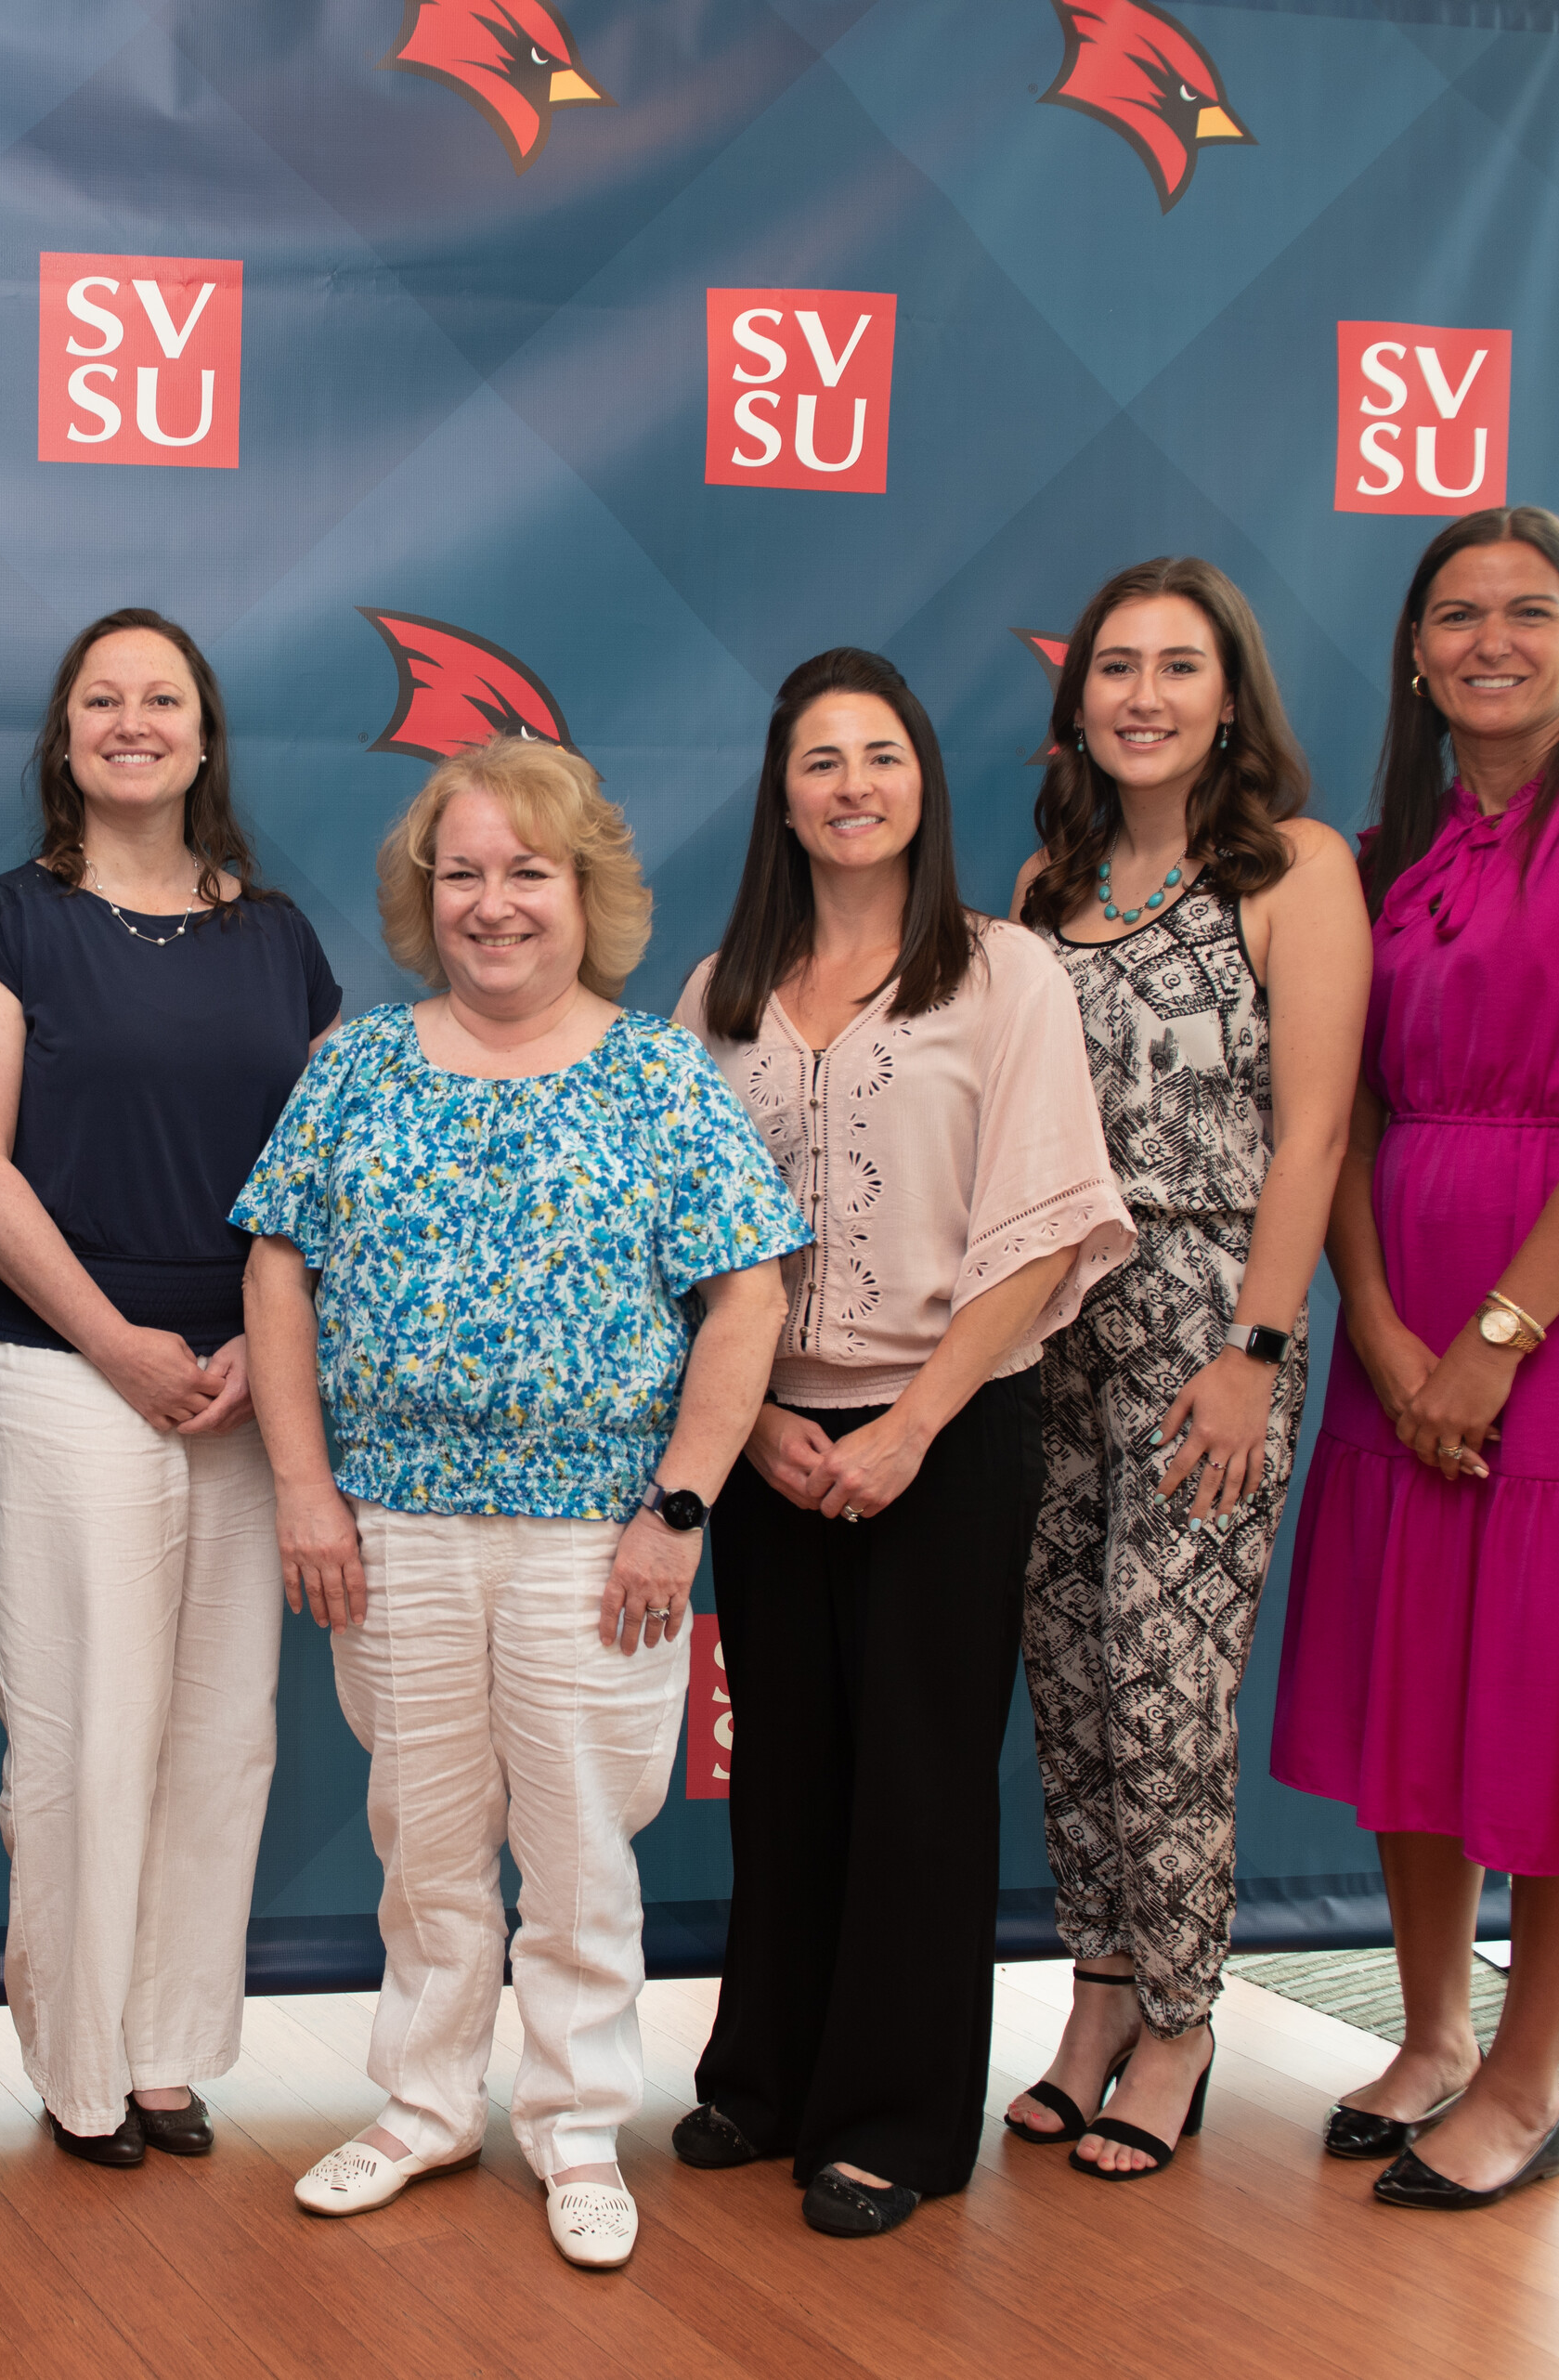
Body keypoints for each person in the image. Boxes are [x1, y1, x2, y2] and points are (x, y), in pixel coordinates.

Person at [235, 735, 806, 2272]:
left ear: (586, 892)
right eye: (464, 874)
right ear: (429, 895)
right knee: (421, 1837)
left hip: (595, 1538)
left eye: (527, 874)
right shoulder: (354, 1063)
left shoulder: (656, 1074)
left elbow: (746, 1300)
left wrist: (676, 1509)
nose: (494, 905)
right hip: (395, 1524)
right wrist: (304, 1487)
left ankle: (572, 2125)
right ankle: (421, 2108)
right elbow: (276, 1272)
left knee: (577, 1850)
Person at [1273, 506, 1559, 2211]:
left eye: (1530, 613)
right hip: (1406, 1292)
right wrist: (1386, 1336)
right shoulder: (1384, 855)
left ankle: (1531, 2081)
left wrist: (1494, 1340)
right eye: (1457, 614)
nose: (1492, 641)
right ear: (1414, 649)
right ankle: (1434, 2032)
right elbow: (1350, 1108)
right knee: (1425, 1671)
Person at [667, 647, 1129, 2240]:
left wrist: (913, 1423)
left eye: (881, 756)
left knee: (922, 1780)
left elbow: (1045, 1226)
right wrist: (767, 1426)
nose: (852, 784)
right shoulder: (717, 994)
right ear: (780, 796)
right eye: (819, 760)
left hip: (950, 1426)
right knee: (787, 1770)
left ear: (923, 781)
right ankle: (764, 2080)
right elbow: (684, 1243)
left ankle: (893, 2121)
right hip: (764, 1442)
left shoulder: (1005, 975)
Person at [0, 610, 341, 2166]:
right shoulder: (1, 927)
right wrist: (117, 1344)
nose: (133, 720)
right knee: (87, 1733)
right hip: (65, 1370)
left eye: (163, 697)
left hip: (245, 1379)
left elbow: (316, 1176)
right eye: (102, 697)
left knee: (222, 1732)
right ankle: (80, 2070)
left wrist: (253, 1339)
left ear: (206, 735)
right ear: (65, 738)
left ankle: (170, 2053)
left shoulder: (281, 938)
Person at [999, 560, 1371, 2180]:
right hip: (1046, 1327)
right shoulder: (1040, 884)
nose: (1144, 694)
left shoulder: (1295, 868)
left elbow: (1317, 1131)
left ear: (1232, 696)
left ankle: (1186, 2020)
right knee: (1071, 1692)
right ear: (1077, 700)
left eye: (1179, 666)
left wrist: (1256, 1351)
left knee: (1167, 1693)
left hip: (1209, 1319)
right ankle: (1093, 2001)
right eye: (1116, 668)